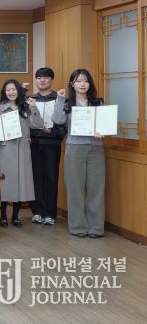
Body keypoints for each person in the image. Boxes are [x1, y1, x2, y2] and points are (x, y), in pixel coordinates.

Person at [52, 69, 106, 238]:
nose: (83, 84)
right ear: (72, 84)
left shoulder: (98, 103)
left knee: (96, 188)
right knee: (74, 189)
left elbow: (105, 124)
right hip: (74, 148)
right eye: (79, 81)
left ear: (90, 84)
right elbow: (57, 120)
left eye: (86, 81)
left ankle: (96, 228)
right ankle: (78, 227)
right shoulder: (67, 103)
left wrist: (103, 131)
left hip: (96, 149)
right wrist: (59, 99)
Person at [0, 79, 43, 228]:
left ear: (19, 91)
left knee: (21, 183)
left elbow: (37, 124)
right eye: (8, 90)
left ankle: (15, 216)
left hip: (22, 149)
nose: (11, 92)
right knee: (4, 184)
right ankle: (2, 216)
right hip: (4, 149)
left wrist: (34, 107)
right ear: (4, 92)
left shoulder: (26, 107)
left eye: (14, 89)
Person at [29, 67, 67, 226]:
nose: (42, 80)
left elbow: (64, 124)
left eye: (45, 77)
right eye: (39, 78)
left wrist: (52, 132)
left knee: (51, 178)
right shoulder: (31, 99)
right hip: (34, 143)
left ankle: (50, 213)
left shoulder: (59, 98)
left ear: (51, 79)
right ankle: (37, 211)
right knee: (35, 177)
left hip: (52, 143)